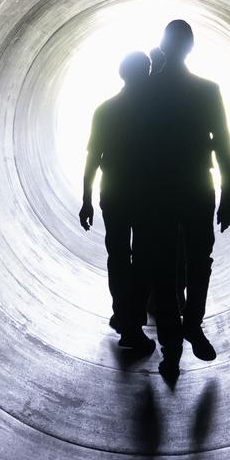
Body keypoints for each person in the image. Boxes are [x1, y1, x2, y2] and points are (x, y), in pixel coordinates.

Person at [135, 19, 230, 381]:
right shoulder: (207, 91)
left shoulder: (148, 90)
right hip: (197, 188)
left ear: (163, 47)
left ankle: (172, 352)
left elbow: (135, 150)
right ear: (191, 48)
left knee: (164, 269)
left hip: (159, 192)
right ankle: (192, 325)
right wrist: (228, 197)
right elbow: (224, 148)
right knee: (199, 262)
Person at [79, 51, 157, 356]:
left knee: (118, 257)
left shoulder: (106, 110)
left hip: (113, 193)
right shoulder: (155, 113)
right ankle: (132, 325)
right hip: (148, 195)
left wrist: (86, 200)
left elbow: (92, 159)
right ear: (146, 72)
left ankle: (122, 313)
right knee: (144, 259)